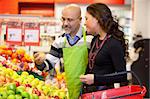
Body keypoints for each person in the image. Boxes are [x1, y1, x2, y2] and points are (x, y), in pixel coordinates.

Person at [34, 4, 93, 99]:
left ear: (80, 20)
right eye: (63, 19)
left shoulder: (91, 38)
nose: (65, 23)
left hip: (91, 91)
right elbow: (47, 66)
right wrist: (39, 62)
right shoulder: (60, 41)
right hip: (71, 89)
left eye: (70, 20)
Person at [80, 3, 128, 93]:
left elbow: (122, 76)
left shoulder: (113, 43)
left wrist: (95, 79)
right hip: (91, 93)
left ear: (97, 19)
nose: (85, 23)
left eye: (87, 18)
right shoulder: (95, 39)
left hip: (105, 94)